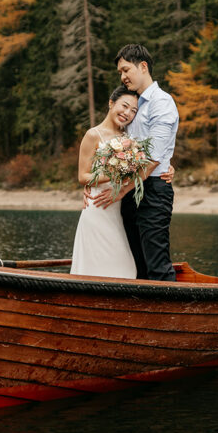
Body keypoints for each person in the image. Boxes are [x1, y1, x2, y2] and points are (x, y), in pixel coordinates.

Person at [92, 44, 179, 281]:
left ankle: (170, 316)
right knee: (136, 265)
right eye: (120, 72)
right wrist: (94, 184)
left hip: (152, 191)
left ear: (143, 66)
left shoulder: (162, 103)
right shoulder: (130, 103)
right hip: (130, 192)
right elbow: (114, 146)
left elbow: (153, 159)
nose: (122, 76)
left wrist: (120, 192)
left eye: (126, 70)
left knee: (157, 264)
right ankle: (145, 316)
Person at [69, 86, 140, 278]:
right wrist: (115, 173)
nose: (127, 113)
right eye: (124, 106)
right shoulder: (93, 135)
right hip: (97, 207)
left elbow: (142, 167)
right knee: (94, 264)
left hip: (117, 206)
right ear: (111, 103)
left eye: (133, 111)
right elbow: (83, 176)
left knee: (126, 268)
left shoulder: (129, 140)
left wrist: (168, 168)